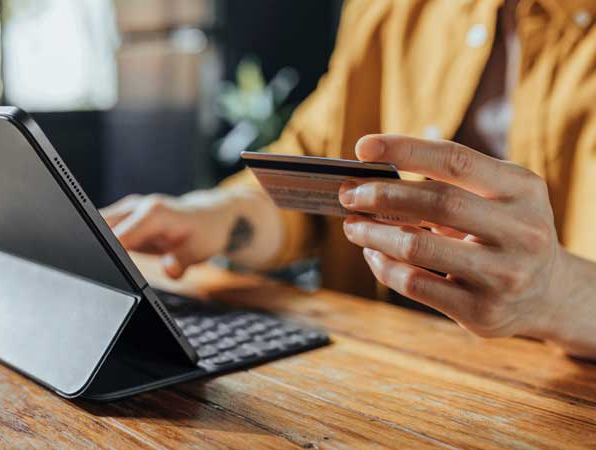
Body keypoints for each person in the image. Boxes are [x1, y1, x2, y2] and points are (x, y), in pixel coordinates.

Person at [101, 0, 596, 359]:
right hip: (373, 379)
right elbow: (316, 168)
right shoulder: (390, 9)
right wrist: (217, 215)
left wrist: (556, 292)